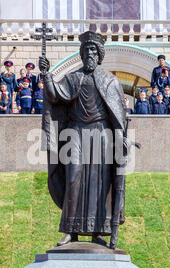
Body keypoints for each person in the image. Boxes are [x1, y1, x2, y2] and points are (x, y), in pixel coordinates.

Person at [39, 30, 127, 249]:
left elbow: (119, 114)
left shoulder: (110, 81)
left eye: (93, 50)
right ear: (82, 54)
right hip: (76, 131)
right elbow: (55, 96)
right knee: (73, 176)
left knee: (100, 182)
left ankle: (99, 231)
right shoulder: (74, 77)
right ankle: (71, 230)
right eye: (86, 50)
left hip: (101, 132)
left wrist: (121, 137)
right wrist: (46, 74)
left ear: (99, 54)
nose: (89, 53)